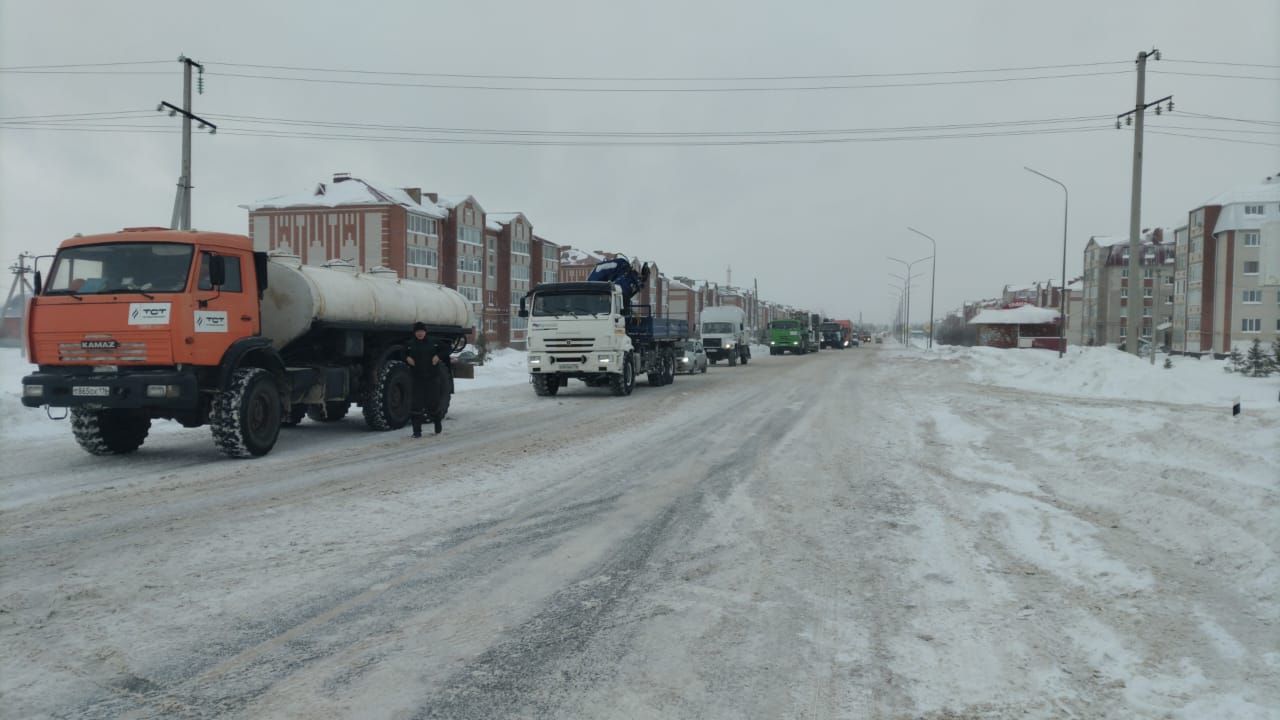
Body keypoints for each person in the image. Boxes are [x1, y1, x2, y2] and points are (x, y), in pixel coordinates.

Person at [405, 322, 446, 437]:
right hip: (417, 378)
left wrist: (438, 356)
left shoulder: (433, 342)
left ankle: (437, 424)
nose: (420, 333)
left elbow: (446, 349)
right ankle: (417, 432)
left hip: (432, 378)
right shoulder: (410, 344)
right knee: (416, 405)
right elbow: (402, 353)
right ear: (414, 333)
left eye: (422, 331)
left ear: (425, 332)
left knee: (433, 404)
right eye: (417, 331)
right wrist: (406, 357)